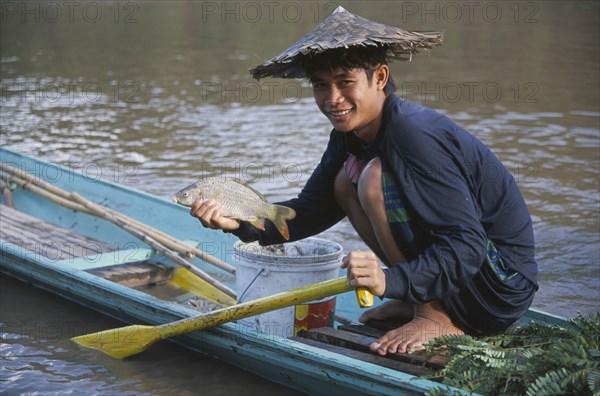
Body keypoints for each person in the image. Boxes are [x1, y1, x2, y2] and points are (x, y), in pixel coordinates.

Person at [190, 7, 538, 355]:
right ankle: (416, 299)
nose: (333, 99)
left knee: (371, 179)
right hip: (469, 276)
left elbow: (467, 246)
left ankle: (433, 313)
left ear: (380, 77)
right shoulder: (348, 136)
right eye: (321, 86)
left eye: (345, 82)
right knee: (344, 182)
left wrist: (390, 280)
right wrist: (239, 222)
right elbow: (307, 213)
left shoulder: (412, 134)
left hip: (500, 286)